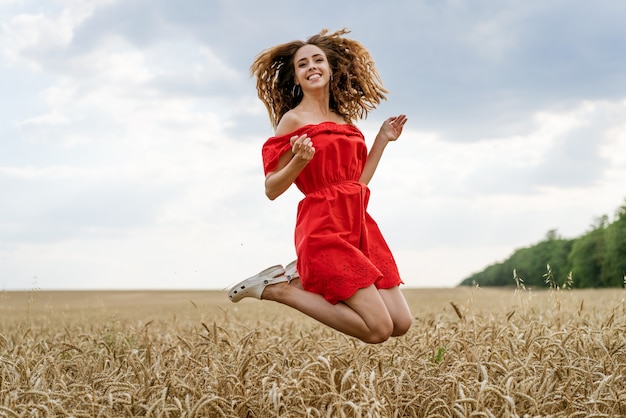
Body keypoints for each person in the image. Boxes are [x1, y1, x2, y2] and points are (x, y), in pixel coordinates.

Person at [228, 29, 412, 344]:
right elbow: (271, 189)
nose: (311, 66)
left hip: (358, 224)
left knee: (401, 322)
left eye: (318, 60)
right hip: (324, 228)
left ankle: (300, 276)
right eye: (302, 64)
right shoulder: (293, 120)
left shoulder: (344, 120)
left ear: (330, 69)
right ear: (296, 78)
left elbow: (357, 185)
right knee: (379, 330)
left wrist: (381, 140)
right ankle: (279, 290)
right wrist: (298, 161)